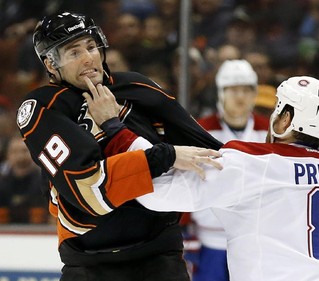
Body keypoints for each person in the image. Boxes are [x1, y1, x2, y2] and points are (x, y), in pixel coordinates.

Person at [16, 11, 222, 281]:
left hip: (160, 257)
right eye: (74, 52)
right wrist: (167, 156)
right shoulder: (42, 109)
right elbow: (89, 190)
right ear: (51, 64)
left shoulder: (138, 88)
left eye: (91, 46)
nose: (88, 57)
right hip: (89, 265)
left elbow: (213, 154)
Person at [134, 76, 319, 281]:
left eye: (278, 109)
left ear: (286, 119)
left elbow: (155, 194)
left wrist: (123, 136)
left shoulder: (254, 162)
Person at [187, 59, 268, 281]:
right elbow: (185, 179)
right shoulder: (200, 131)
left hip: (255, 241)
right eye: (233, 90)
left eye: (246, 90)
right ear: (221, 93)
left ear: (254, 94)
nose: (240, 97)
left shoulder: (269, 133)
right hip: (209, 240)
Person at [0, 134, 50, 224]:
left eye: (24, 151)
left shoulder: (45, 183)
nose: (20, 156)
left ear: (32, 153)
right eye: (14, 152)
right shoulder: (2, 184)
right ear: (8, 155)